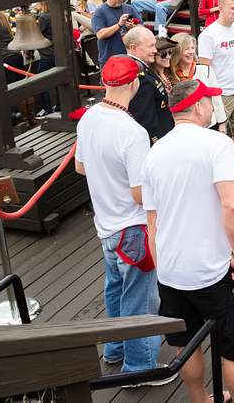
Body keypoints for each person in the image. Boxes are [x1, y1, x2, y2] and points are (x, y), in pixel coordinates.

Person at [141, 79, 234, 403]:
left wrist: (164, 269)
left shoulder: (155, 152)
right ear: (199, 106)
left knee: (185, 344)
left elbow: (153, 222)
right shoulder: (217, 144)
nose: (212, 106)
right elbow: (233, 206)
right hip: (211, 270)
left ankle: (198, 399)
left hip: (171, 272)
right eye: (209, 101)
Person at [74, 56, 173, 381]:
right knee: (140, 301)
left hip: (105, 224)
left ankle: (116, 349)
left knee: (115, 290)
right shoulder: (133, 132)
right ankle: (140, 368)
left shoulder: (87, 119)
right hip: (132, 228)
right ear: (134, 84)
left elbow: (80, 166)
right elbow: (138, 193)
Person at [198, 0, 234, 173]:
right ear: (220, 8)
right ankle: (219, 175)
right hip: (220, 94)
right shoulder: (208, 35)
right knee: (218, 137)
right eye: (233, 8)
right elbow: (204, 71)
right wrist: (211, 98)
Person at [123, 26, 174, 142]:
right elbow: (145, 120)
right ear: (133, 48)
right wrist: (156, 142)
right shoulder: (138, 75)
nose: (155, 50)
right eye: (150, 46)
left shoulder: (143, 68)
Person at [169, 34, 227, 131]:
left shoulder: (205, 69)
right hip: (185, 126)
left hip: (209, 124)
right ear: (177, 51)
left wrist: (222, 123)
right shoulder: (170, 74)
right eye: (186, 48)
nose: (191, 52)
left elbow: (216, 98)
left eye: (192, 48)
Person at [92, 0, 140, 66]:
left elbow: (141, 26)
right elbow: (100, 34)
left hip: (129, 57)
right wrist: (119, 25)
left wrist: (133, 27)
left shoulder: (129, 8)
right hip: (109, 59)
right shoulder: (100, 11)